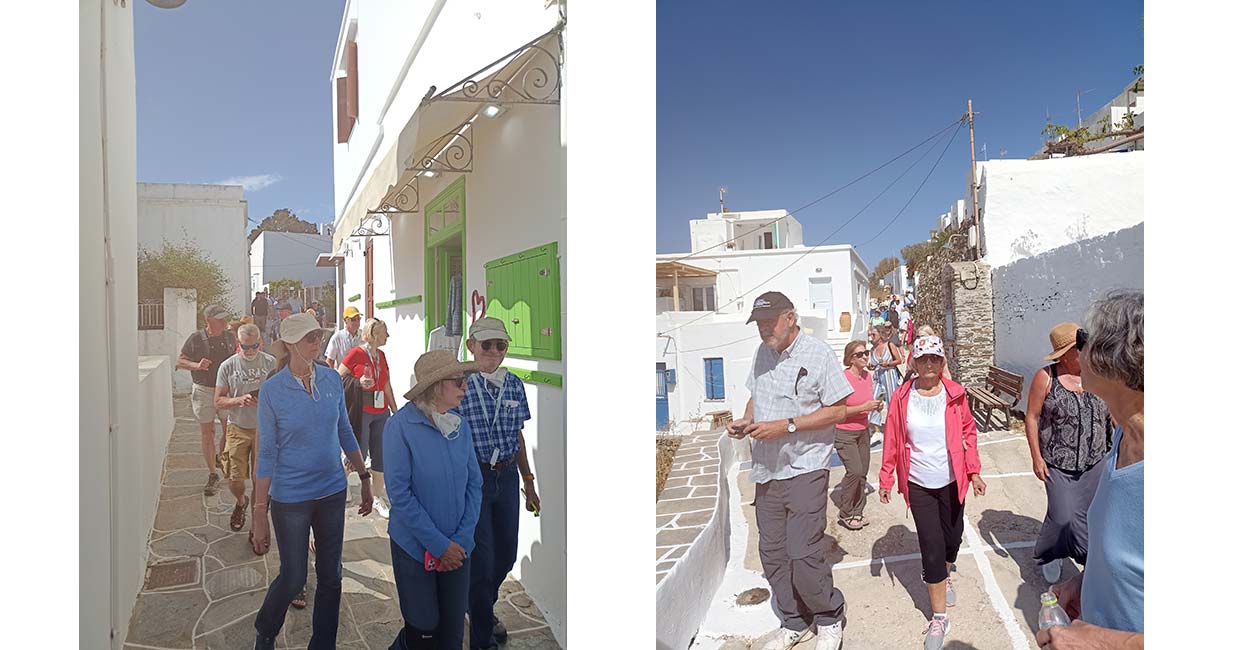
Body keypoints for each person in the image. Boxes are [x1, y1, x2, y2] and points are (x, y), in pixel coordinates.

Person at [727, 291, 852, 650]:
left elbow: (839, 410)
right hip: (767, 469)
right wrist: (747, 420)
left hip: (805, 467)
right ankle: (794, 620)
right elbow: (756, 394)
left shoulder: (819, 354)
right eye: (760, 324)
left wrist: (787, 426)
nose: (764, 329)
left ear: (790, 318)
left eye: (770, 321)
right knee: (773, 552)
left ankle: (828, 617)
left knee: (804, 551)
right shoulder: (762, 352)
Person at [251, 313, 374, 650]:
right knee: (293, 577)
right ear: (291, 345)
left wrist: (363, 475)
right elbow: (266, 454)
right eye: (310, 338)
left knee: (332, 575)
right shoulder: (272, 391)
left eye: (319, 335)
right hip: (290, 496)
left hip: (332, 490)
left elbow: (344, 430)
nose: (317, 342)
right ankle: (265, 632)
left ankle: (324, 643)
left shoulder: (332, 380)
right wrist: (259, 512)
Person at [1037, 291, 1144, 649]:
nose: (1078, 350)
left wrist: (1104, 642)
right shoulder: (1123, 439)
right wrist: (1086, 582)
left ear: (1117, 362)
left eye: (1085, 340)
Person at [878, 335, 986, 650]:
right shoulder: (901, 398)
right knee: (932, 547)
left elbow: (969, 430)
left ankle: (945, 573)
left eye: (934, 359)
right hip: (919, 482)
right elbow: (892, 440)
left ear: (942, 362)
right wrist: (886, 477)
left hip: (953, 481)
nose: (928, 364)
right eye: (923, 358)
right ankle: (939, 617)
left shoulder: (956, 394)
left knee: (952, 538)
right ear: (913, 361)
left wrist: (974, 470)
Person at [384, 349, 483, 650]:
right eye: (459, 381)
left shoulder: (459, 425)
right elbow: (400, 496)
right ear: (437, 385)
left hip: (459, 548)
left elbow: (474, 485)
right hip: (414, 549)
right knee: (423, 630)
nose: (465, 387)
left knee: (453, 632)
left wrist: (461, 542)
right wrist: (440, 546)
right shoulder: (399, 427)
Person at [457, 317, 541, 649]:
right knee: (482, 562)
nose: (493, 351)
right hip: (473, 478)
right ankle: (482, 637)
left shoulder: (515, 385)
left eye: (500, 345)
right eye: (486, 344)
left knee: (505, 557)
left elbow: (517, 435)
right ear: (471, 346)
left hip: (505, 477)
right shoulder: (458, 383)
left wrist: (529, 482)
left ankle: (478, 606)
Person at [1024, 322, 1113, 585]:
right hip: (1057, 461)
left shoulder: (1098, 373)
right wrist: (1036, 457)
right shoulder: (1046, 376)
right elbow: (1032, 416)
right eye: (1080, 349)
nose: (1086, 353)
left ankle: (1080, 561)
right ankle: (1059, 555)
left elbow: (1112, 413)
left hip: (1095, 459)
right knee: (1064, 515)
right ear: (1064, 353)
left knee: (1089, 515)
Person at [213, 324, 276, 533]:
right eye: (245, 347)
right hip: (238, 427)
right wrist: (239, 399)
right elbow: (218, 401)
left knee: (261, 477)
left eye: (254, 346)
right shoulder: (228, 366)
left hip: (264, 428)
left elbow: (283, 395)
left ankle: (258, 520)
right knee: (235, 479)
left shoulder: (270, 363)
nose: (250, 351)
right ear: (237, 344)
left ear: (261, 342)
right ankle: (241, 501)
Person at [339, 318, 398, 518]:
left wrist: (395, 410)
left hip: (380, 411)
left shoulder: (381, 355)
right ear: (373, 335)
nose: (387, 335)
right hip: (361, 410)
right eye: (384, 332)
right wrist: (358, 382)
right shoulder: (356, 353)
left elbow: (386, 384)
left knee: (380, 454)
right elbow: (338, 377)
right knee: (358, 453)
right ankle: (340, 486)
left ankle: (378, 497)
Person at [176, 304, 237, 496]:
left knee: (229, 430)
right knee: (207, 431)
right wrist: (197, 365)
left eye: (224, 318)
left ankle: (220, 459)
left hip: (226, 390)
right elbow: (180, 361)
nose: (224, 321)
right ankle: (212, 473)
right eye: (219, 318)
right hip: (203, 390)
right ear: (208, 320)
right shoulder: (196, 338)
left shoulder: (229, 336)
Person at [835, 340, 884, 531]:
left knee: (862, 473)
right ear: (850, 359)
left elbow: (867, 401)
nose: (865, 356)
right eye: (860, 354)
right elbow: (836, 411)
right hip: (845, 432)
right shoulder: (842, 378)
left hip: (863, 430)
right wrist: (863, 407)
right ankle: (845, 512)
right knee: (854, 471)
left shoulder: (868, 376)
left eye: (866, 353)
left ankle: (857, 511)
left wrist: (875, 405)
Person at [326, 306, 364, 370]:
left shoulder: (364, 336)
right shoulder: (337, 337)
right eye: (353, 319)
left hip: (361, 377)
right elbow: (330, 361)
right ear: (345, 321)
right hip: (344, 377)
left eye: (358, 319)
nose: (357, 322)